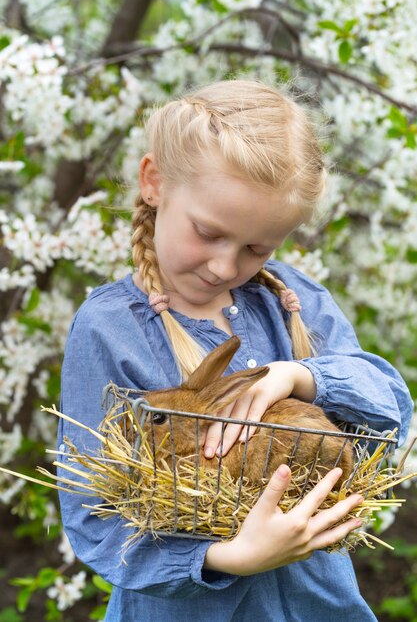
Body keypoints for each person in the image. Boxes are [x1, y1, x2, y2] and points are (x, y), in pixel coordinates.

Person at [58, 79, 413, 622]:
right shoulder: (110, 329)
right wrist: (231, 557)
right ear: (154, 182)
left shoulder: (294, 302)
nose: (225, 267)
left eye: (256, 248)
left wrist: (298, 376)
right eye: (208, 232)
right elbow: (96, 519)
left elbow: (391, 413)